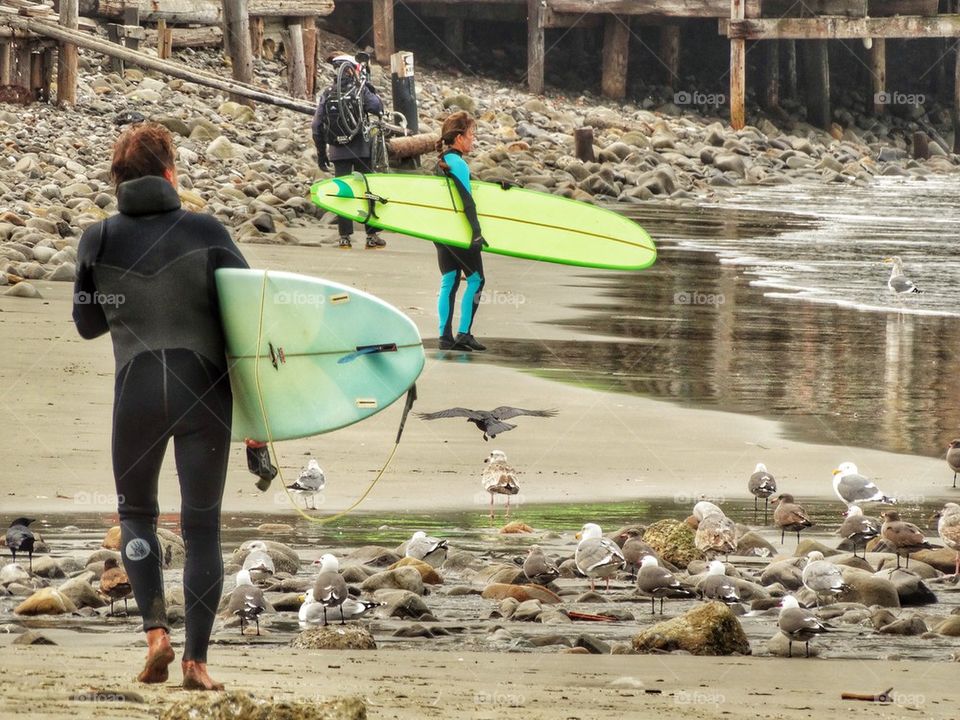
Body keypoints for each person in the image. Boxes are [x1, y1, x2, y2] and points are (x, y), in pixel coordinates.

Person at [72, 122, 247, 691]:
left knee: (136, 518)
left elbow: (88, 325)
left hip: (137, 394)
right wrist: (263, 422)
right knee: (201, 529)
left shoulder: (97, 238)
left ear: (117, 178)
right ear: (172, 174)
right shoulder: (207, 231)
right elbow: (251, 317)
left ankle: (155, 636)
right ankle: (197, 663)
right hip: (206, 395)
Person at [312, 53, 386, 250]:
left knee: (343, 192)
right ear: (354, 69)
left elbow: (316, 126)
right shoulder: (361, 90)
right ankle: (371, 236)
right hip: (361, 149)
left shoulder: (328, 93)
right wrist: (369, 87)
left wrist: (322, 154)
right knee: (367, 191)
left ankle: (344, 237)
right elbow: (378, 109)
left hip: (338, 151)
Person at [435, 111, 487, 352]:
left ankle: (445, 336)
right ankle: (464, 333)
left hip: (440, 232)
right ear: (458, 138)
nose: (473, 139)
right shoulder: (459, 164)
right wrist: (476, 232)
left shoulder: (440, 162)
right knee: (477, 279)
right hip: (458, 234)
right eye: (470, 134)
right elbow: (466, 200)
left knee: (450, 279)